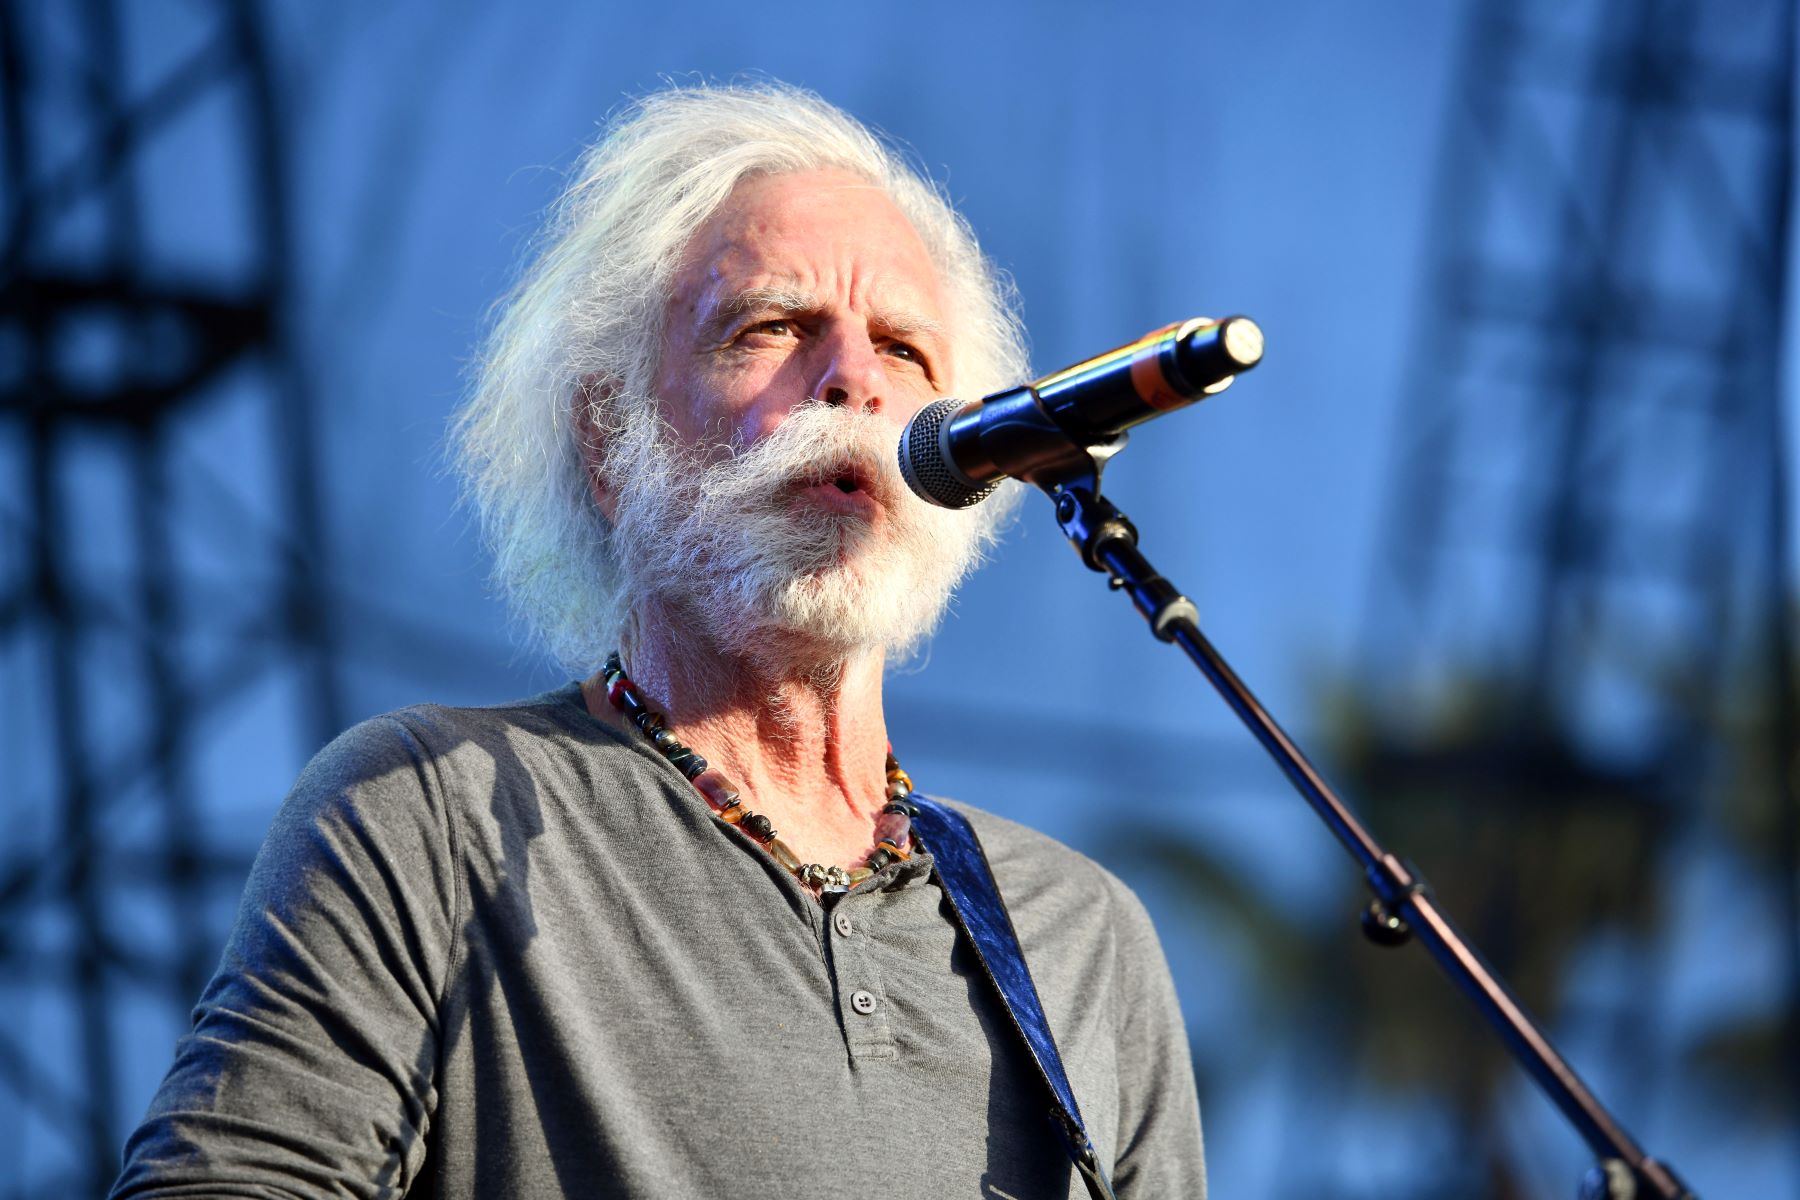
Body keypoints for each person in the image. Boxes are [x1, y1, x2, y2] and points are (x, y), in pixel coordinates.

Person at [112, 82, 1206, 1199]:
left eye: (904, 350)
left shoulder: (1080, 936)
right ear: (606, 438)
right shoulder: (427, 812)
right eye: (772, 328)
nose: (853, 380)